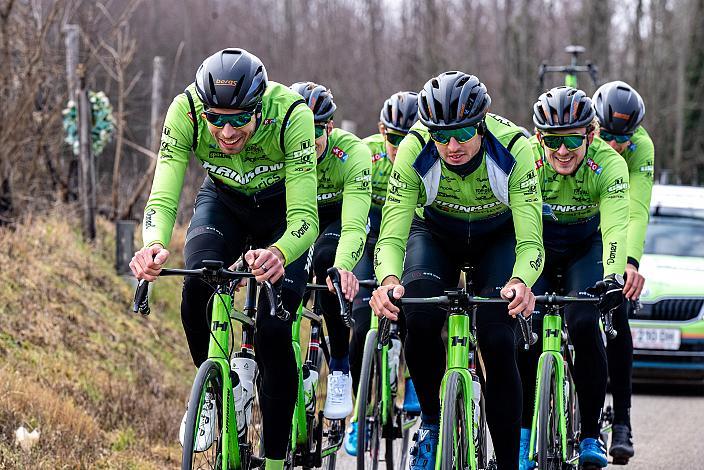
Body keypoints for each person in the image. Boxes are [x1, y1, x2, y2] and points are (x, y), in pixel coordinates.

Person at [129, 48, 319, 470]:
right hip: (223, 205)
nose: (226, 131)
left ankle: (273, 460)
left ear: (258, 107)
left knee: (273, 333)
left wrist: (280, 252)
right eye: (216, 119)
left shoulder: (291, 114)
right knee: (197, 281)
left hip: (281, 214)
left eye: (238, 120)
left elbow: (306, 217)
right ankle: (214, 395)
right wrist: (154, 245)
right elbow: (163, 195)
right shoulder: (186, 110)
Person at [369, 71, 545, 470]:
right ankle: (431, 423)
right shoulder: (415, 149)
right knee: (416, 315)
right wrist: (388, 281)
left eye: (463, 133)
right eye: (440, 135)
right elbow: (392, 236)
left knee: (499, 341)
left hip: (496, 239)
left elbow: (532, 241)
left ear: (481, 124)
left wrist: (521, 281)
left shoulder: (515, 149)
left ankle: (507, 461)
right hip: (435, 235)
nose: (451, 146)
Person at [517, 86, 628, 470]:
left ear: (591, 136)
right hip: (539, 249)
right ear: (538, 138)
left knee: (583, 321)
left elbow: (615, 227)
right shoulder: (526, 161)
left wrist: (613, 276)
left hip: (586, 249)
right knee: (522, 324)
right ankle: (524, 431)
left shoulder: (609, 165)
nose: (562, 151)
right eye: (552, 141)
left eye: (572, 141)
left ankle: (590, 432)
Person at [289, 81, 372, 420]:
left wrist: (343, 266)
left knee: (327, 262)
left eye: (317, 130)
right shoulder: (279, 149)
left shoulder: (350, 153)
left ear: (330, 127)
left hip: (337, 221)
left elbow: (355, 225)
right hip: (296, 217)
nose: (308, 139)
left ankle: (338, 367)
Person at [344, 91, 421, 455]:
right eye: (394, 138)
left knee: (417, 308)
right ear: (381, 132)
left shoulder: (428, 159)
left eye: (408, 138)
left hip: (407, 241)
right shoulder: (368, 155)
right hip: (369, 239)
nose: (399, 146)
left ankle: (411, 381)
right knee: (360, 323)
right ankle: (359, 414)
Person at [593, 80, 653, 464]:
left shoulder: (640, 147)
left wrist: (629, 262)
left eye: (624, 139)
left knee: (618, 312)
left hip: (617, 231)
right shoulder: (576, 132)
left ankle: (622, 422)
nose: (615, 146)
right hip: (580, 224)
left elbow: (637, 209)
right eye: (608, 136)